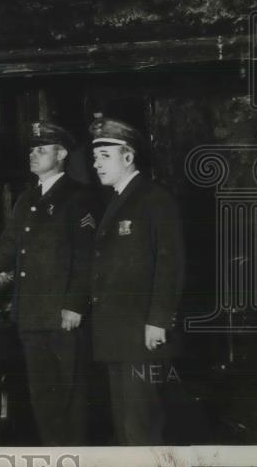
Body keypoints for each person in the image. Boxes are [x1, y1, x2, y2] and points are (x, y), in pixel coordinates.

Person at [0, 121, 94, 445]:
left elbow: (87, 258)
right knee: (43, 402)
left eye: (42, 149)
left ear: (62, 154)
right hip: (31, 317)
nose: (33, 154)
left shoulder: (77, 198)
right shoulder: (26, 199)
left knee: (70, 401)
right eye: (31, 149)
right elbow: (6, 247)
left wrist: (74, 305)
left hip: (62, 319)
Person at [89, 116, 185, 445]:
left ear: (128, 158)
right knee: (126, 426)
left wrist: (158, 321)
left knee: (141, 425)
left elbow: (169, 264)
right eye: (94, 156)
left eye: (105, 156)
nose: (96, 164)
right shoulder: (117, 200)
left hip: (142, 336)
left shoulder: (154, 199)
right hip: (118, 335)